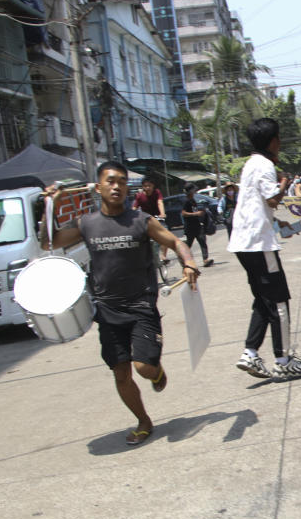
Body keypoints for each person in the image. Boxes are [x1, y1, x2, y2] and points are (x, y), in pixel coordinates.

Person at [41, 161, 200, 445]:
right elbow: (48, 242)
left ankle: (156, 370)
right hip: (107, 309)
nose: (117, 187)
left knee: (143, 367)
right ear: (99, 186)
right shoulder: (86, 223)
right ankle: (143, 421)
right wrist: (49, 208)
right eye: (111, 181)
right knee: (121, 374)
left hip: (141, 306)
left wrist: (188, 262)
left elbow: (176, 242)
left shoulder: (141, 220)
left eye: (123, 182)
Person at [228, 117, 301, 382]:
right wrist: (285, 182)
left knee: (263, 300)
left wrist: (279, 223)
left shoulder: (250, 164)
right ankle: (283, 360)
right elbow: (273, 199)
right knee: (279, 301)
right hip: (259, 245)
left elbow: (256, 206)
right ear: (273, 140)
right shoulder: (265, 165)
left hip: (245, 242)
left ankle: (250, 352)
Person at [133, 177, 168, 261]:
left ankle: (163, 256)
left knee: (165, 235)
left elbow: (160, 202)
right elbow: (134, 207)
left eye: (149, 186)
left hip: (157, 217)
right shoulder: (140, 196)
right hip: (146, 220)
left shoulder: (157, 193)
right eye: (145, 186)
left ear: (153, 186)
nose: (147, 188)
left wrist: (162, 213)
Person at [181, 182, 214, 267]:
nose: (195, 192)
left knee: (203, 242)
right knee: (188, 244)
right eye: (193, 190)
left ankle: (205, 260)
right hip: (190, 227)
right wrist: (196, 214)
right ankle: (184, 260)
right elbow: (183, 213)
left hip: (197, 225)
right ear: (190, 191)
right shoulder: (186, 201)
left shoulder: (193, 200)